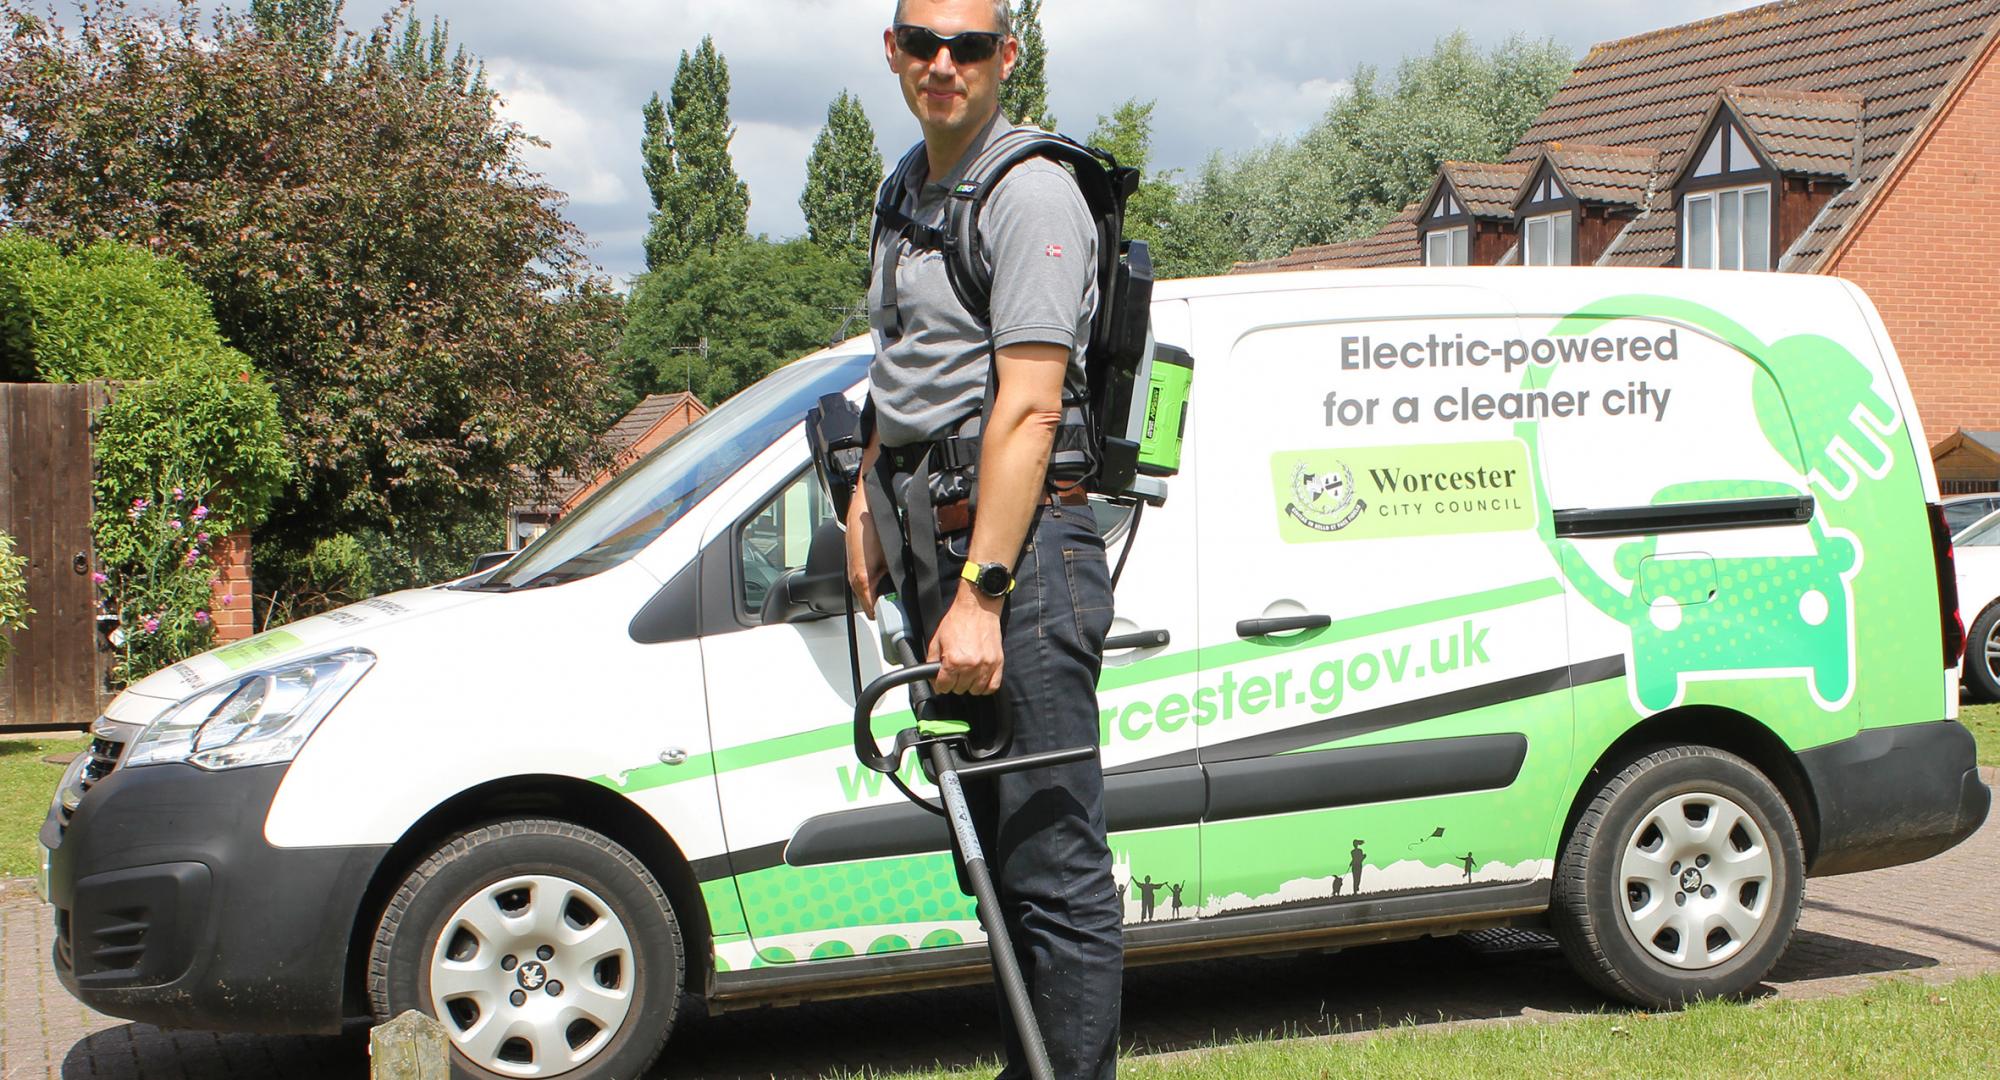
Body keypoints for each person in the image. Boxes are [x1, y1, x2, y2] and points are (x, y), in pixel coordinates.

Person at [845, 1, 1122, 1077]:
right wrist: (867, 494)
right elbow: (901, 367)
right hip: (939, 553)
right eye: (922, 43)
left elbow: (1028, 408)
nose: (942, 65)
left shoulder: (1031, 192)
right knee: (994, 867)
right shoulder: (907, 189)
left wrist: (982, 593)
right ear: (893, 52)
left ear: (1007, 54)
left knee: (1053, 868)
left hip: (1018, 562)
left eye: (967, 45)